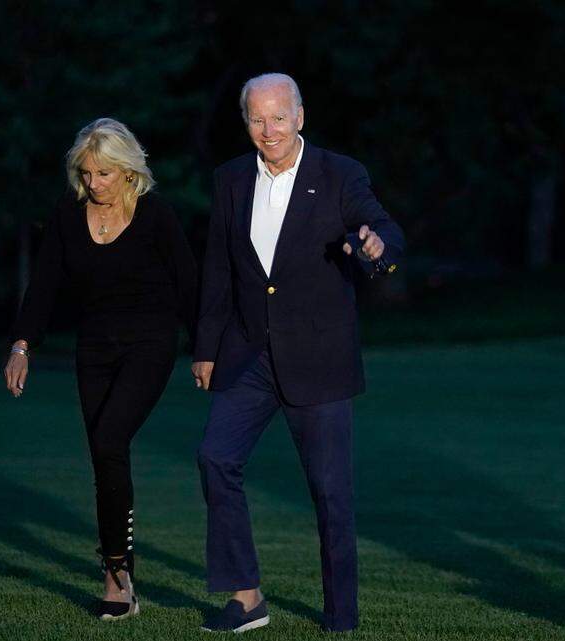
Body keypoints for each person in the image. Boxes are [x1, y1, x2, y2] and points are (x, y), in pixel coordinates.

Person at [193, 72, 403, 634]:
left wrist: (376, 248)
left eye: (279, 118)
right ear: (246, 123)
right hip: (248, 355)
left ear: (300, 117)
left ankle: (340, 615)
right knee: (215, 457)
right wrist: (206, 347)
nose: (269, 130)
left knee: (330, 493)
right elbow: (218, 267)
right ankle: (246, 598)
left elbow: (382, 227)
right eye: (257, 119)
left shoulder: (339, 174)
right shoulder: (231, 178)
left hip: (318, 356)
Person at [3, 118, 198, 620]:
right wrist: (22, 345)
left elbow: (188, 284)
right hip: (93, 350)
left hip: (149, 345)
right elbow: (44, 283)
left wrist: (204, 349)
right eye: (86, 173)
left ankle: (115, 574)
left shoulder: (155, 215)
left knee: (110, 439)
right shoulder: (68, 215)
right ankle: (121, 572)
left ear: (128, 171)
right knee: (104, 458)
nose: (94, 183)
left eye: (104, 173)